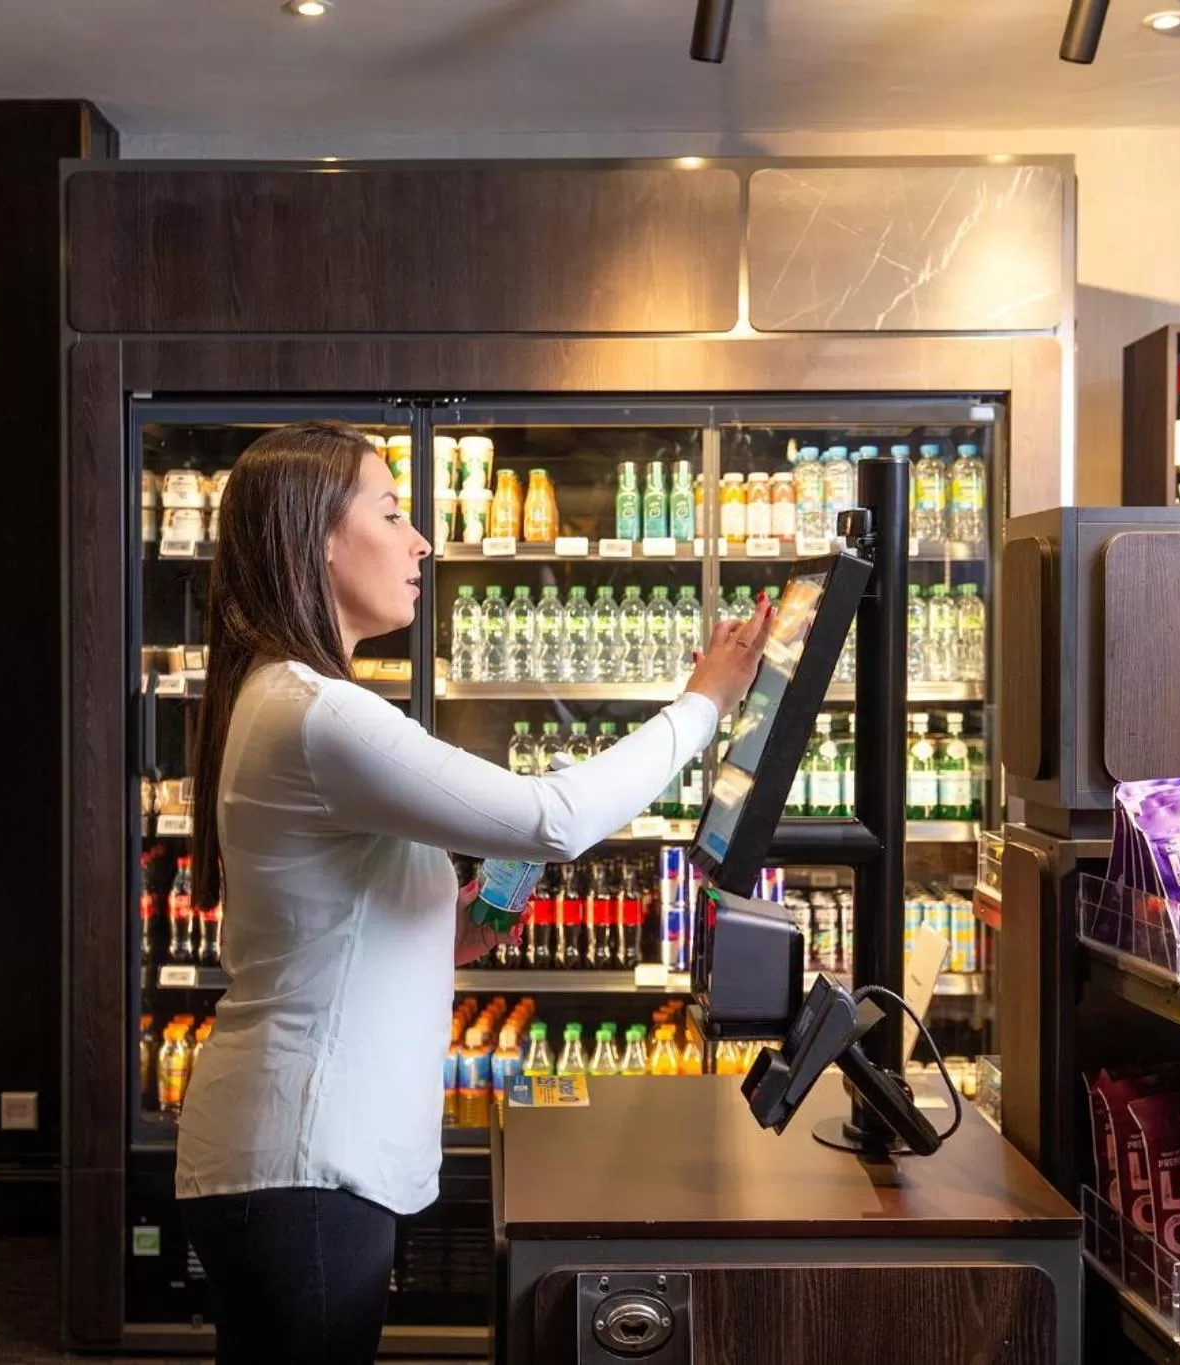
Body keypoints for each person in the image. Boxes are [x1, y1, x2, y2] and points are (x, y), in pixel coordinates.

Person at [174, 421, 773, 1363]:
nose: (420, 541)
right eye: (391, 512)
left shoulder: (285, 697)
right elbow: (555, 818)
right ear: (315, 537)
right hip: (304, 1158)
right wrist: (703, 703)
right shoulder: (321, 713)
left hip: (290, 1153)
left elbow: (330, 918)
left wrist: (451, 929)